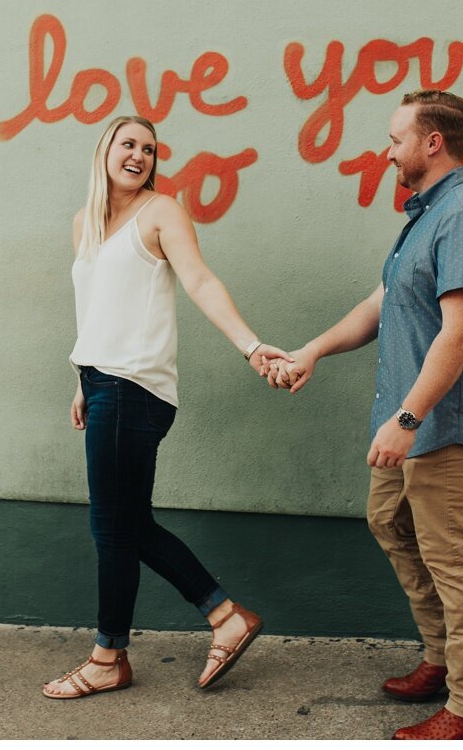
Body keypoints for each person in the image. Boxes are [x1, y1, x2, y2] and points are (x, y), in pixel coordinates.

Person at [265, 90, 463, 740]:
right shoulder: (424, 216)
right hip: (409, 418)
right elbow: (381, 305)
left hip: (441, 421)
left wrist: (406, 419)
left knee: (454, 559)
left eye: (396, 136)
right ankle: (441, 655)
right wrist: (313, 348)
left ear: (433, 142)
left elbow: (458, 334)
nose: (387, 148)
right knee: (389, 519)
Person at [43, 115, 287, 700]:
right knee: (127, 525)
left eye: (148, 149)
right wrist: (83, 377)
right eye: (128, 144)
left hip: (135, 387)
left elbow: (199, 280)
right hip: (103, 382)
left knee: (112, 528)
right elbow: (96, 306)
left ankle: (108, 657)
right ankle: (224, 615)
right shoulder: (84, 223)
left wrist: (251, 347)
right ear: (105, 149)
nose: (139, 156)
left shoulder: (162, 212)